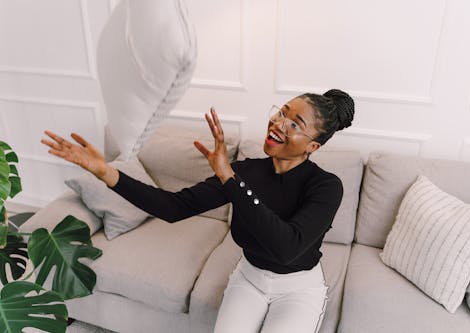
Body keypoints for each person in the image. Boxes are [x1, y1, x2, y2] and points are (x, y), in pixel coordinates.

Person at [41, 89, 355, 333]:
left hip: (297, 288)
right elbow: (173, 207)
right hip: (250, 278)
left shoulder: (326, 186)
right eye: (281, 113)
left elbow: (286, 247)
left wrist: (230, 180)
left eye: (294, 124)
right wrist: (106, 173)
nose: (278, 124)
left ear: (313, 145)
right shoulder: (245, 172)